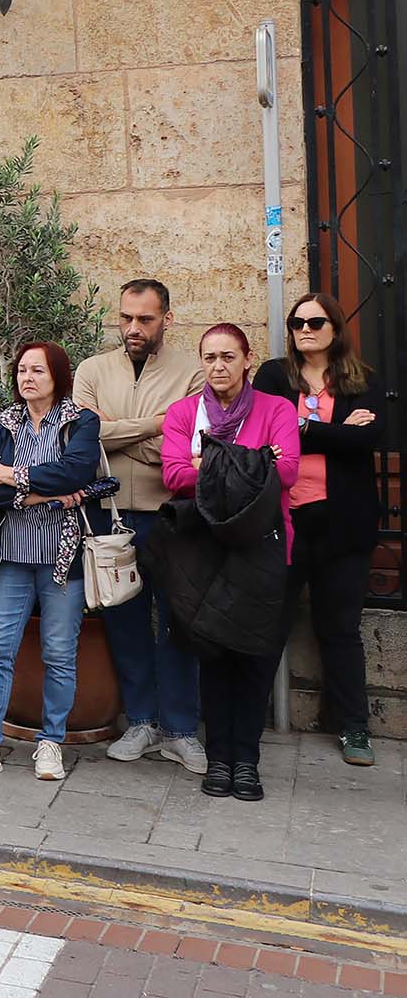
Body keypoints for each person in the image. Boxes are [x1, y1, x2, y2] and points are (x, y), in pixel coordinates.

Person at [0, 343, 106, 784]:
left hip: (62, 559)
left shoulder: (80, 421)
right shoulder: (5, 422)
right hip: (9, 560)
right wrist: (42, 494)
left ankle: (51, 742)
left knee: (59, 654)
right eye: (21, 370)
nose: (27, 377)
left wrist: (12, 476)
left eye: (37, 369)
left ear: (58, 374)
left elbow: (76, 473)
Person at [162, 325, 301, 801]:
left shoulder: (276, 408)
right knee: (215, 657)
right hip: (203, 550)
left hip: (262, 548)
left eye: (227, 357)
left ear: (247, 359)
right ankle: (219, 758)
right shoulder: (184, 412)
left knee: (256, 659)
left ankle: (248, 760)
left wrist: (208, 460)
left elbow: (287, 471)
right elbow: (174, 475)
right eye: (209, 357)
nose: (218, 366)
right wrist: (251, 460)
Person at [76, 278, 209, 775]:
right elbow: (85, 442)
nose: (133, 328)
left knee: (178, 623)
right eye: (126, 317)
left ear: (166, 319)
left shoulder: (194, 374)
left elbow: (188, 452)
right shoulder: (91, 370)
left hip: (172, 516)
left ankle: (179, 730)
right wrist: (158, 424)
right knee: (124, 621)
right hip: (109, 517)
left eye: (145, 319)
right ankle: (142, 721)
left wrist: (118, 432)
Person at [255, 291, 382, 767]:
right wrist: (332, 431)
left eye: (315, 321)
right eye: (296, 322)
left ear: (335, 328)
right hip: (283, 519)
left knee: (340, 628)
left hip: (343, 524)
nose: (304, 329)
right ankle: (247, 719)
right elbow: (266, 433)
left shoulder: (360, 378)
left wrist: (302, 428)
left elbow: (369, 438)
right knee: (269, 623)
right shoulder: (272, 375)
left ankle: (354, 727)